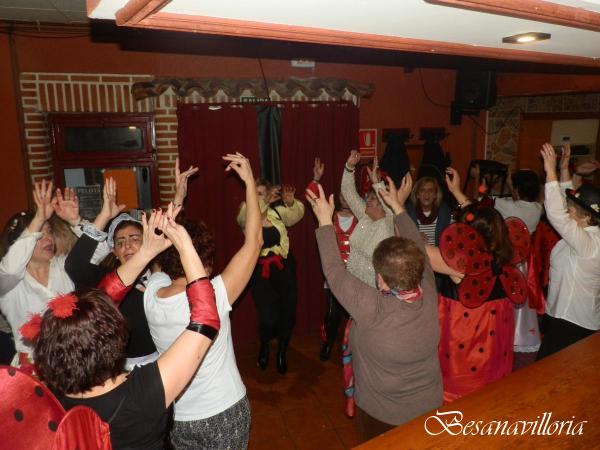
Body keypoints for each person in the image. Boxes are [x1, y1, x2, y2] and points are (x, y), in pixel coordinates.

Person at [29, 207, 220, 450]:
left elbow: (105, 297)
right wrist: (184, 245)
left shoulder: (54, 397)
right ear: (114, 337)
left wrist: (147, 252)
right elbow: (206, 321)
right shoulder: (144, 393)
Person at [306, 176, 442, 443]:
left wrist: (323, 220)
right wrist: (399, 207)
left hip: (382, 416)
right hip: (429, 409)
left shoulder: (373, 309)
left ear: (380, 279)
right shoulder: (428, 290)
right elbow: (417, 245)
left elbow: (334, 273)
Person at [144, 153, 261, 449]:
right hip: (224, 411)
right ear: (207, 261)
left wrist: (178, 198)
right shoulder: (214, 296)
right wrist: (249, 183)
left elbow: (160, 246)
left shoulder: (151, 294)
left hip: (176, 416)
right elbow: (254, 241)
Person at [429, 167, 518, 402]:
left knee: (463, 403)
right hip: (493, 351)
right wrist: (457, 192)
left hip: (465, 355)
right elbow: (483, 218)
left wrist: (396, 206)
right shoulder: (502, 255)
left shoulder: (460, 266)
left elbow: (414, 247)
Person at [64, 178, 159, 369]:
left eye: (134, 238)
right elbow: (75, 265)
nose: (127, 246)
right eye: (120, 242)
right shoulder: (106, 280)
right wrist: (104, 215)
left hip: (161, 362)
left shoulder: (161, 276)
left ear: (146, 242)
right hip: (119, 369)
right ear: (114, 251)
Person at [0, 181, 74, 370]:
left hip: (73, 361)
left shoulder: (63, 265)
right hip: (33, 370)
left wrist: (76, 221)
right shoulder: (10, 282)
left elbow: (95, 255)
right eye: (38, 235)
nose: (48, 238)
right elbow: (10, 269)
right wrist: (39, 218)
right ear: (19, 244)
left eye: (49, 232)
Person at [537, 143, 600, 359]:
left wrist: (550, 170)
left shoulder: (589, 244)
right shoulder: (586, 231)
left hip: (573, 322)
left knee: (552, 372)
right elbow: (566, 201)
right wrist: (564, 169)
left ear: (586, 216)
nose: (567, 210)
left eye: (571, 210)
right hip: (565, 315)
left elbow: (556, 213)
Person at [237, 176, 304, 374]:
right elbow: (245, 217)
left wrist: (291, 203)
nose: (259, 197)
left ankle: (282, 352)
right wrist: (263, 201)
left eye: (262, 193)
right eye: (255, 194)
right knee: (267, 316)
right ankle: (265, 345)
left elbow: (296, 215)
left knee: (287, 311)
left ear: (268, 194)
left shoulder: (276, 213)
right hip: (260, 271)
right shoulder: (246, 212)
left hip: (284, 268)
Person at [308, 157, 357, 361]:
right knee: (332, 314)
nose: (345, 198)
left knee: (356, 313)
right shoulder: (329, 216)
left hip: (356, 275)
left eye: (349, 195)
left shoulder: (362, 218)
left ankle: (356, 346)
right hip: (335, 275)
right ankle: (328, 342)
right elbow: (312, 198)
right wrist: (316, 180)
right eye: (342, 195)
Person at [341, 151, 395, 288]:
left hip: (373, 289)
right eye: (368, 198)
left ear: (383, 204)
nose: (368, 201)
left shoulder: (388, 223)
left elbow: (390, 206)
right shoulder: (365, 217)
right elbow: (348, 193)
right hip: (351, 284)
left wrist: (377, 183)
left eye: (373, 198)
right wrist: (349, 167)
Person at [406, 176, 452, 245]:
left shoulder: (445, 213)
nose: (426, 194)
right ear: (417, 194)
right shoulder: (407, 213)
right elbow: (400, 236)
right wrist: (413, 236)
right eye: (422, 190)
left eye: (430, 190)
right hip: (414, 250)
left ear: (435, 195)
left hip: (438, 250)